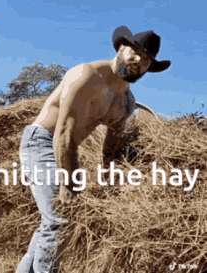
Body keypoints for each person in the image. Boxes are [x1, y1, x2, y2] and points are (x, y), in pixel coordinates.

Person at [17, 26, 171, 273]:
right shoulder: (86, 75)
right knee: (60, 218)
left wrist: (111, 186)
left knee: (56, 219)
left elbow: (111, 150)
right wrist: (67, 184)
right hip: (43, 141)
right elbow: (63, 132)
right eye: (135, 52)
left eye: (146, 60)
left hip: (69, 150)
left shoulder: (126, 102)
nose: (138, 61)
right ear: (121, 48)